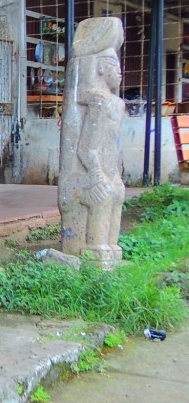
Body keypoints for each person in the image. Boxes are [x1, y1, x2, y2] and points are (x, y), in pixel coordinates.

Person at [58, 17, 126, 269]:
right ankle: (95, 251)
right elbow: (86, 148)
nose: (118, 71)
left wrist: (115, 175)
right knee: (103, 195)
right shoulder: (98, 101)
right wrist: (98, 177)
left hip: (107, 171)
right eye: (112, 64)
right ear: (98, 68)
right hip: (84, 177)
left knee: (117, 193)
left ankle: (111, 249)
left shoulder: (116, 103)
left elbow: (114, 146)